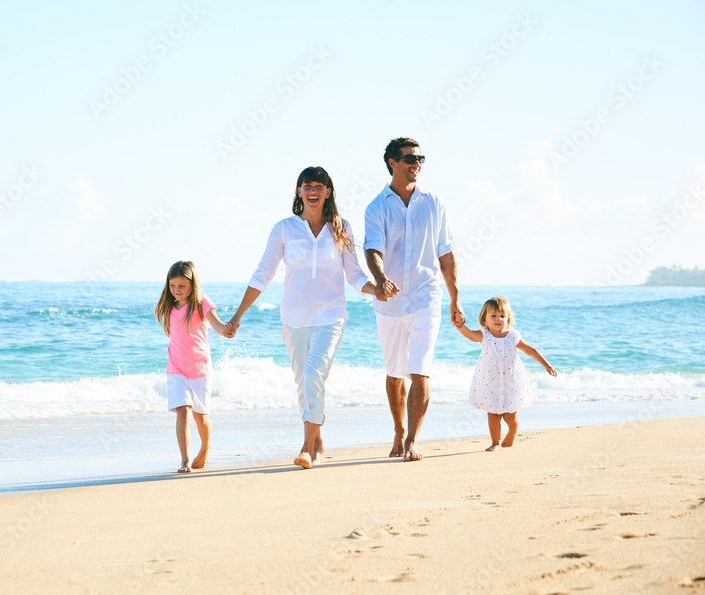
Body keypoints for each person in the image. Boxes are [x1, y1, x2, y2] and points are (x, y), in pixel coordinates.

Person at [226, 167, 376, 469]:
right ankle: (317, 439)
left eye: (320, 186)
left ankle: (307, 447)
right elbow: (263, 273)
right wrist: (238, 314)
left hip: (331, 315)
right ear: (299, 192)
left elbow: (355, 273)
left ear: (328, 192)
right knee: (303, 381)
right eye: (308, 186)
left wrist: (376, 289)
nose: (314, 191)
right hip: (294, 318)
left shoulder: (341, 227)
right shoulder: (284, 229)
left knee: (313, 374)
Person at [364, 137, 463, 462]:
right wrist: (381, 280)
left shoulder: (434, 203)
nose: (416, 163)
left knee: (419, 371)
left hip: (426, 299)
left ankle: (413, 441)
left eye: (420, 158)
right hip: (389, 305)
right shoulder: (377, 207)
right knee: (395, 373)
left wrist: (455, 299)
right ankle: (398, 430)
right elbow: (373, 250)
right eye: (409, 158)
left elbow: (446, 254)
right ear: (392, 162)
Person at [155, 261, 230, 473]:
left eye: (182, 286)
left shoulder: (200, 302)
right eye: (172, 286)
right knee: (183, 413)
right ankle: (185, 461)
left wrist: (227, 329)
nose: (176, 290)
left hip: (200, 369)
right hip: (176, 368)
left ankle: (205, 447)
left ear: (192, 284)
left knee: (200, 416)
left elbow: (217, 325)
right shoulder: (169, 305)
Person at [455, 297, 558, 451]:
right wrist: (460, 326)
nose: (498, 319)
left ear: (508, 318)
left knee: (510, 415)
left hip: (511, 381)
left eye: (502, 316)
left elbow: (529, 349)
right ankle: (495, 442)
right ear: (484, 318)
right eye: (493, 316)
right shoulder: (484, 335)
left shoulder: (513, 336)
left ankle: (512, 431)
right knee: (493, 414)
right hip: (490, 380)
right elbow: (469, 334)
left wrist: (545, 364)